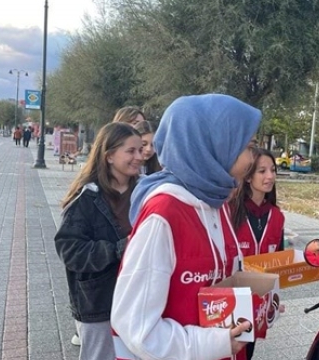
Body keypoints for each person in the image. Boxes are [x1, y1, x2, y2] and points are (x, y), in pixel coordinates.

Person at [111, 94, 261, 360]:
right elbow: (136, 328)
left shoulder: (215, 203)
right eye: (248, 147)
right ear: (215, 146)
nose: (253, 160)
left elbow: (214, 285)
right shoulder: (164, 215)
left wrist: (256, 305)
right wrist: (215, 343)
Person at [55, 122, 144, 360]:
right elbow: (70, 250)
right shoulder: (86, 198)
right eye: (131, 151)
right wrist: (119, 248)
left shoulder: (146, 193)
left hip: (137, 300)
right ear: (110, 156)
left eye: (141, 149)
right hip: (98, 304)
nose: (139, 156)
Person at [225, 147, 285, 360]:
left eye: (273, 170)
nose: (270, 176)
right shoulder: (229, 211)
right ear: (248, 176)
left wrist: (276, 297)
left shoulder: (277, 217)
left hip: (260, 303)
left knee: (248, 353)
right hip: (231, 301)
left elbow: (279, 260)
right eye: (262, 171)